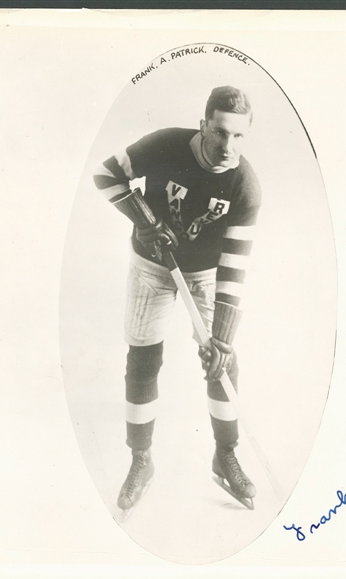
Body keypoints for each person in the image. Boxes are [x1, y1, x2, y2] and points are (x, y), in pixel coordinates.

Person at [93, 85, 262, 512]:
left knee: (222, 363)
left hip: (205, 275)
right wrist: (145, 221)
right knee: (144, 357)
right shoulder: (165, 144)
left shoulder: (245, 187)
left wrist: (221, 338)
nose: (228, 147)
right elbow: (106, 175)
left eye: (239, 137)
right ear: (204, 124)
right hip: (151, 266)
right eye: (220, 133)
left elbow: (235, 264)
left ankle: (225, 456)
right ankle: (141, 459)